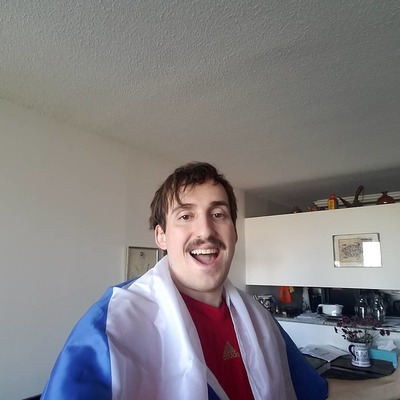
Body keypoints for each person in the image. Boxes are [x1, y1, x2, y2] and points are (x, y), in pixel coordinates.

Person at [42, 161, 328, 400]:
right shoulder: (112, 324)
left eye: (218, 214)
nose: (205, 230)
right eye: (185, 216)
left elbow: (313, 392)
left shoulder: (259, 318)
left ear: (234, 233)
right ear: (161, 237)